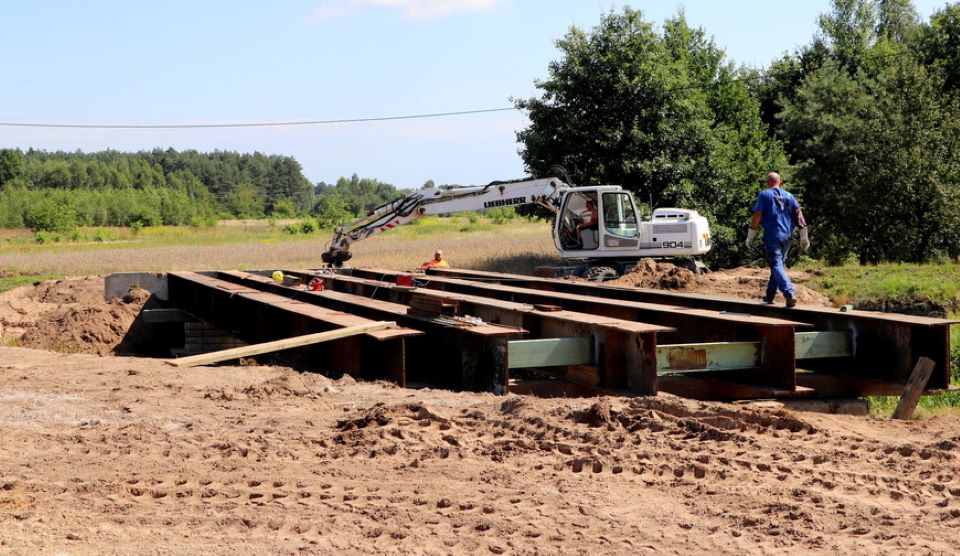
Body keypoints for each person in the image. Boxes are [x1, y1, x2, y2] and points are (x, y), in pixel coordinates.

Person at [745, 172, 810, 307]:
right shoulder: (790, 196)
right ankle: (769, 296)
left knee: (776, 265)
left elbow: (757, 215)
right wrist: (804, 236)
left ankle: (789, 293)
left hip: (773, 236)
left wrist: (751, 234)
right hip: (787, 237)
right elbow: (799, 216)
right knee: (778, 265)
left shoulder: (764, 195)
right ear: (780, 182)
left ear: (768, 182)